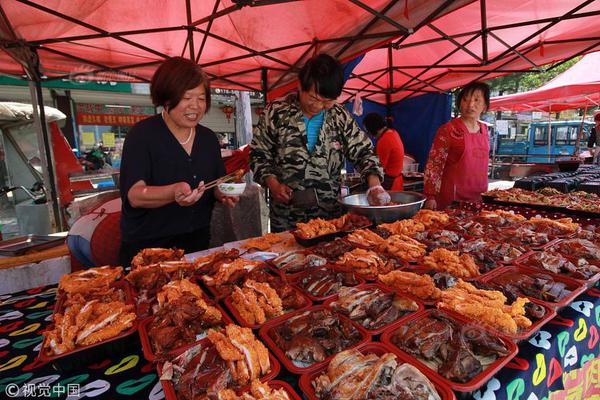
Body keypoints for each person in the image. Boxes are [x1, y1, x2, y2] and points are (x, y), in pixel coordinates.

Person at [119, 57, 239, 266]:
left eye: (201, 98)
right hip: (149, 249)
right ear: (166, 98)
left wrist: (223, 193)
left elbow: (215, 183)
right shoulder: (142, 135)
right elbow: (135, 195)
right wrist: (173, 192)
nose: (195, 106)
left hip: (197, 244)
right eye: (186, 97)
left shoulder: (209, 139)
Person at [250, 53, 386, 232]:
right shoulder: (276, 112)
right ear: (300, 86)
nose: (318, 106)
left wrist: (374, 185)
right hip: (287, 218)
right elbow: (259, 154)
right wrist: (273, 184)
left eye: (327, 101)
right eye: (313, 98)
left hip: (330, 219)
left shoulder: (339, 115)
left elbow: (363, 152)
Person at [423, 81, 491, 210]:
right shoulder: (448, 130)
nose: (470, 105)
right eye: (465, 100)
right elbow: (434, 165)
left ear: (485, 106)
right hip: (452, 199)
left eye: (476, 100)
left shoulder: (485, 130)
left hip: (479, 196)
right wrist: (430, 196)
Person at [363, 113, 405, 191]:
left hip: (390, 185)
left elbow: (378, 168)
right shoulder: (393, 132)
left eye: (368, 131)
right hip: (397, 182)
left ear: (372, 129)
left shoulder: (384, 140)